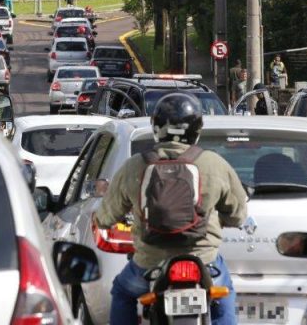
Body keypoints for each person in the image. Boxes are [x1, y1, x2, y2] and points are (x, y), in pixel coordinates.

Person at [93, 93, 247, 325]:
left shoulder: (135, 165)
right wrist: (222, 218)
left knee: (123, 293)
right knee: (225, 293)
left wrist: (102, 219)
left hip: (149, 263)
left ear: (156, 127)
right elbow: (238, 215)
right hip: (203, 260)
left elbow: (107, 215)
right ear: (196, 129)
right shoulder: (214, 164)